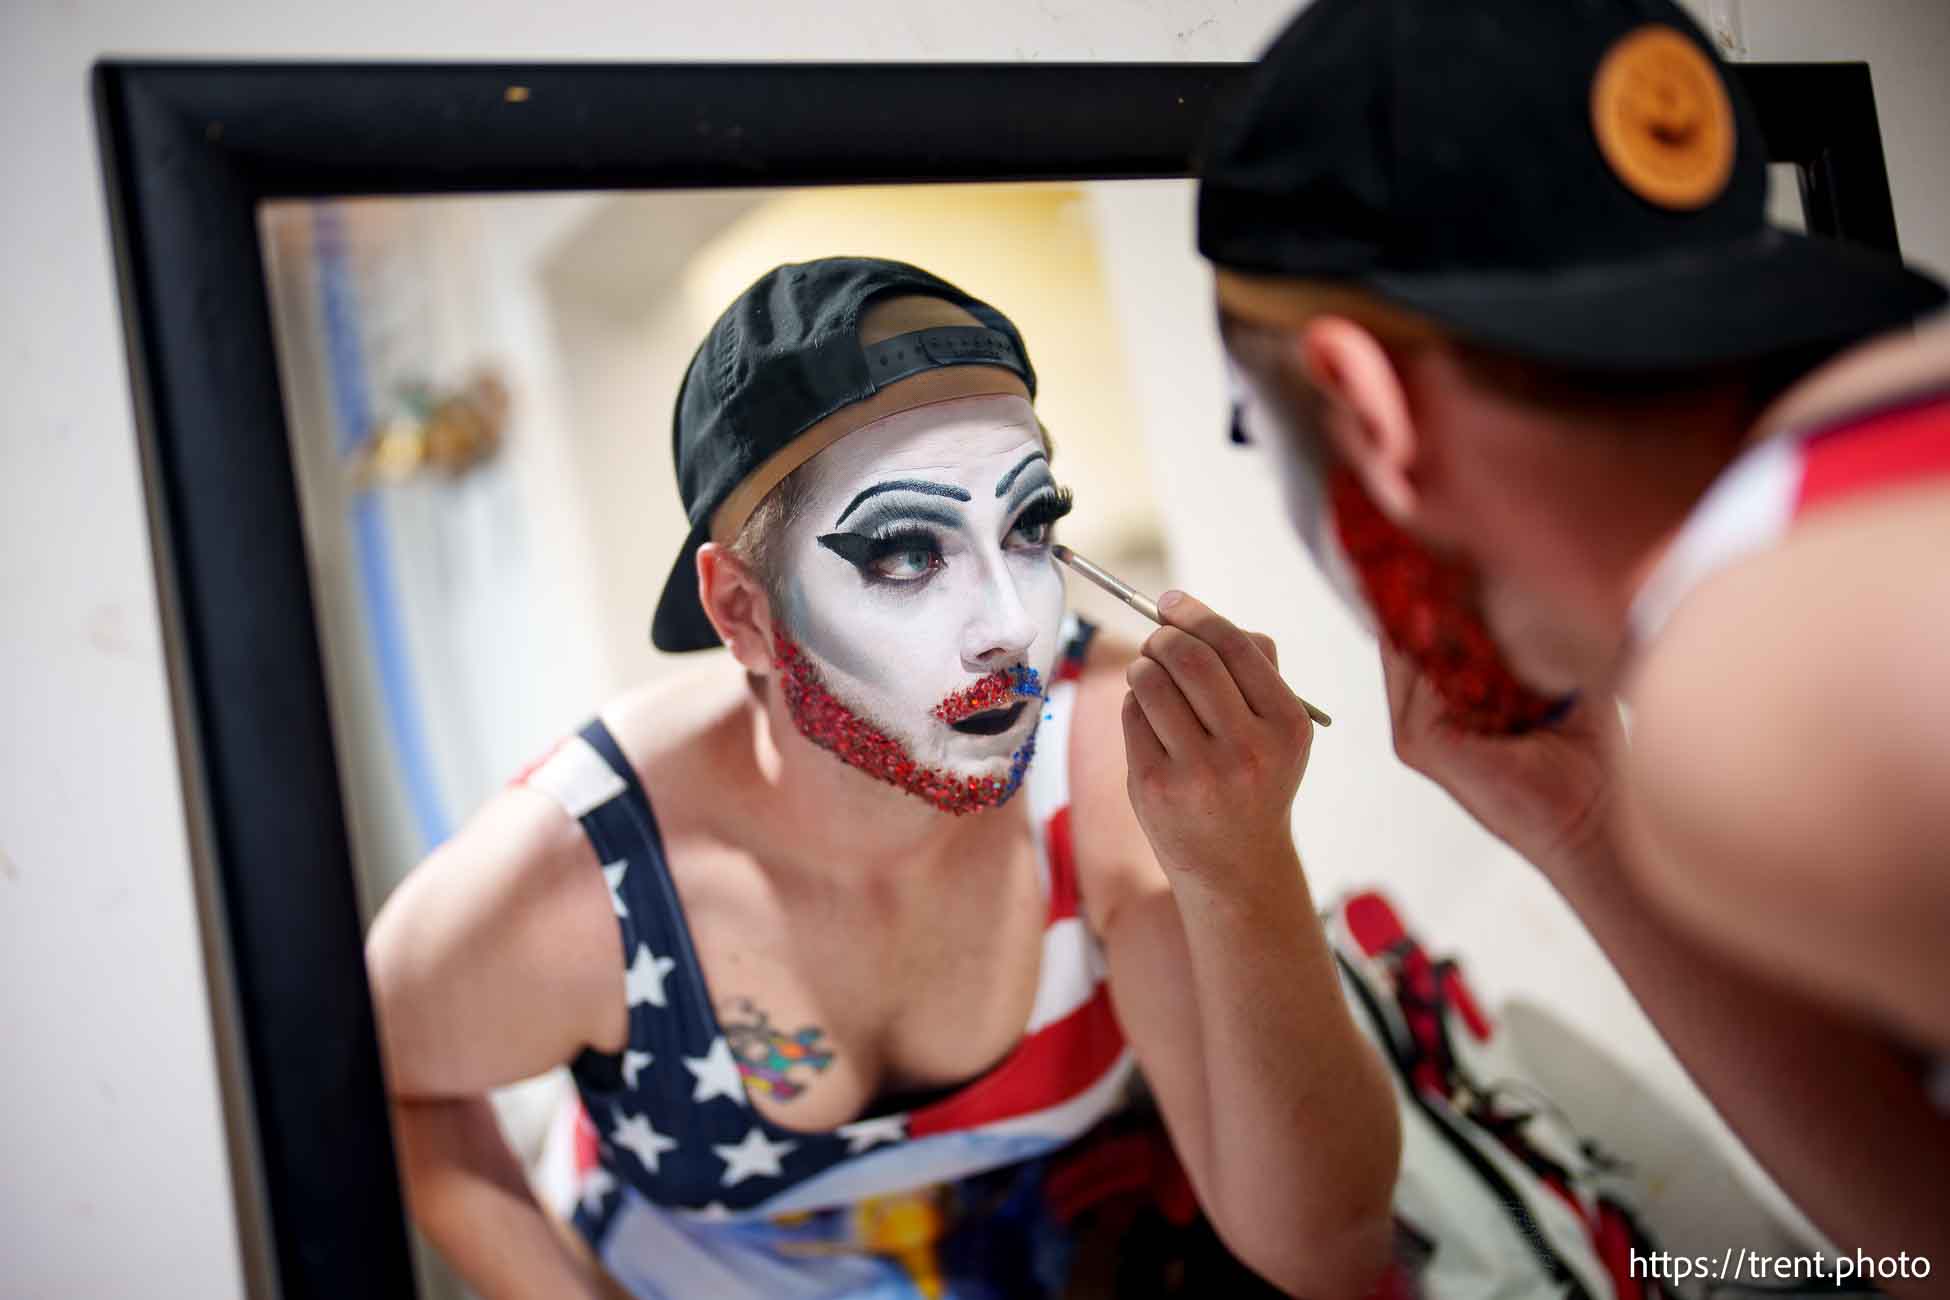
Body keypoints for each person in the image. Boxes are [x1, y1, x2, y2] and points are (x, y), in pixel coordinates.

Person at [365, 257, 1400, 1299]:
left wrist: (1247, 864)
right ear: (744, 615)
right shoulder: (586, 871)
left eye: (1029, 525)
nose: (1009, 627)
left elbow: (1324, 1250)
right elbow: (385, 1079)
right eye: (907, 552)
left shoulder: (1113, 758)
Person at [1197, 0, 1950, 1284]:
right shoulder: (1871, 468)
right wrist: (1583, 827)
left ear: (1363, 410)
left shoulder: (1764, 679)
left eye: (1257, 436)